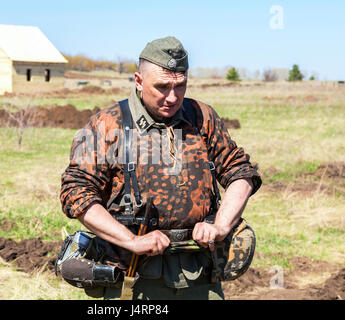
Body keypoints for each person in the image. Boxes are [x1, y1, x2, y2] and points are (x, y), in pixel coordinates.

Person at [60, 36, 262, 300]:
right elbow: (76, 193)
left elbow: (240, 171)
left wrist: (221, 226)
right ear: (139, 80)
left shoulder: (202, 117)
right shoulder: (107, 125)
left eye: (180, 86)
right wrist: (131, 240)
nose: (172, 97)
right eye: (162, 87)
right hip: (134, 278)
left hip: (201, 274)